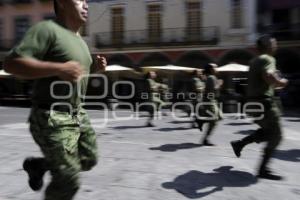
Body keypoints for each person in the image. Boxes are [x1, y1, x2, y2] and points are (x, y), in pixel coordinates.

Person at [3, 0, 107, 199]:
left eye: (87, 1)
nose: (86, 5)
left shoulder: (81, 42)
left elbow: (75, 72)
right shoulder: (47, 29)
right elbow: (11, 64)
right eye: (79, 0)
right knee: (68, 178)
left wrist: (95, 68)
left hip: (78, 114)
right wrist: (58, 68)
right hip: (52, 115)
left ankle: (39, 165)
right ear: (61, 2)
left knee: (89, 159)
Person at [230, 35, 288, 180]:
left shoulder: (254, 60)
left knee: (268, 132)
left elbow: (261, 81)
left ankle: (239, 144)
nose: (276, 44)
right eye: (274, 42)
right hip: (263, 103)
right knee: (277, 135)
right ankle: (263, 169)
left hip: (252, 104)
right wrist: (282, 82)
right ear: (267, 45)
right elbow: (269, 77)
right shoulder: (268, 58)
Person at [196, 63, 223, 146]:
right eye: (216, 67)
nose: (217, 69)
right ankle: (205, 139)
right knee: (214, 119)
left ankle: (201, 120)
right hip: (209, 101)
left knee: (219, 117)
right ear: (211, 69)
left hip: (212, 100)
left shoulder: (211, 77)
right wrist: (219, 84)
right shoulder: (211, 77)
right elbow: (213, 90)